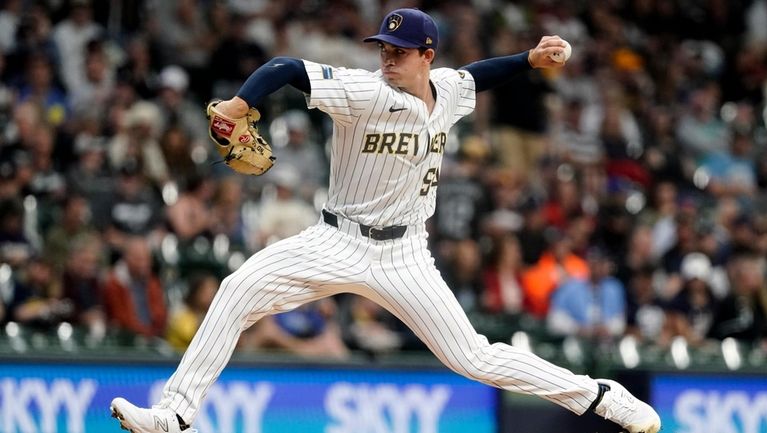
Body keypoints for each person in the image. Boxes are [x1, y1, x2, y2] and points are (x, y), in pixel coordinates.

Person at [110, 8, 661, 433]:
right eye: (383, 48)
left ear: (427, 55)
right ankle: (176, 415)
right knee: (236, 289)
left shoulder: (447, 91)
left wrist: (528, 60)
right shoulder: (365, 91)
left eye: (399, 51)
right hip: (336, 239)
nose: (387, 59)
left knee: (473, 357)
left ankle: (598, 396)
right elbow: (285, 68)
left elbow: (476, 76)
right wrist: (238, 104)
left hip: (405, 256)